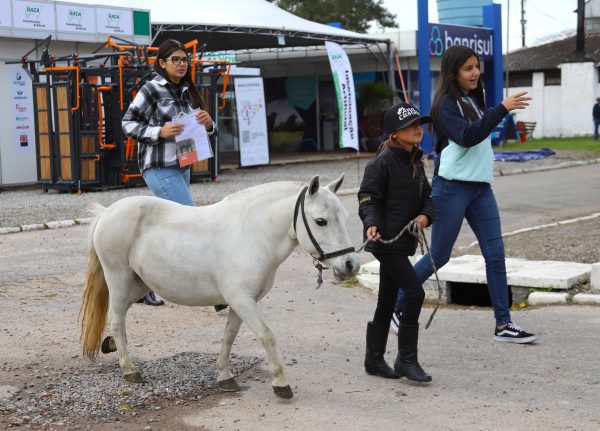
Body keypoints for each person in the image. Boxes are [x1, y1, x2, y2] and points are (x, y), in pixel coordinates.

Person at [393, 45, 537, 343]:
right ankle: (395, 306)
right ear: (453, 72)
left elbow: (479, 132)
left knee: (495, 255)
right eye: (468, 68)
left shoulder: (472, 99)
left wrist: (495, 109)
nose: (475, 73)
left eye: (476, 66)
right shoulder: (446, 104)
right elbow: (468, 136)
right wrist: (502, 108)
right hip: (452, 187)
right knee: (440, 256)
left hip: (481, 188)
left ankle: (503, 324)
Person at [122, 39, 216, 306]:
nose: (181, 64)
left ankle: (142, 283)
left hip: (183, 166)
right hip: (159, 167)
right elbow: (128, 123)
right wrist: (158, 131)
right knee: (195, 221)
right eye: (175, 59)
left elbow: (207, 132)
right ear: (161, 63)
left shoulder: (187, 90)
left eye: (184, 59)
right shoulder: (151, 89)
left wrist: (209, 125)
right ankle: (215, 288)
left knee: (167, 228)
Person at [358, 102, 435, 382]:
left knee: (387, 299)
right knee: (415, 293)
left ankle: (374, 359)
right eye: (410, 125)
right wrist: (371, 224)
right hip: (385, 242)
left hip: (404, 242)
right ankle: (406, 359)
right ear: (393, 134)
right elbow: (368, 198)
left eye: (419, 124)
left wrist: (426, 216)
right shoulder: (379, 163)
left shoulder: (415, 160)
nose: (418, 129)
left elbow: (428, 196)